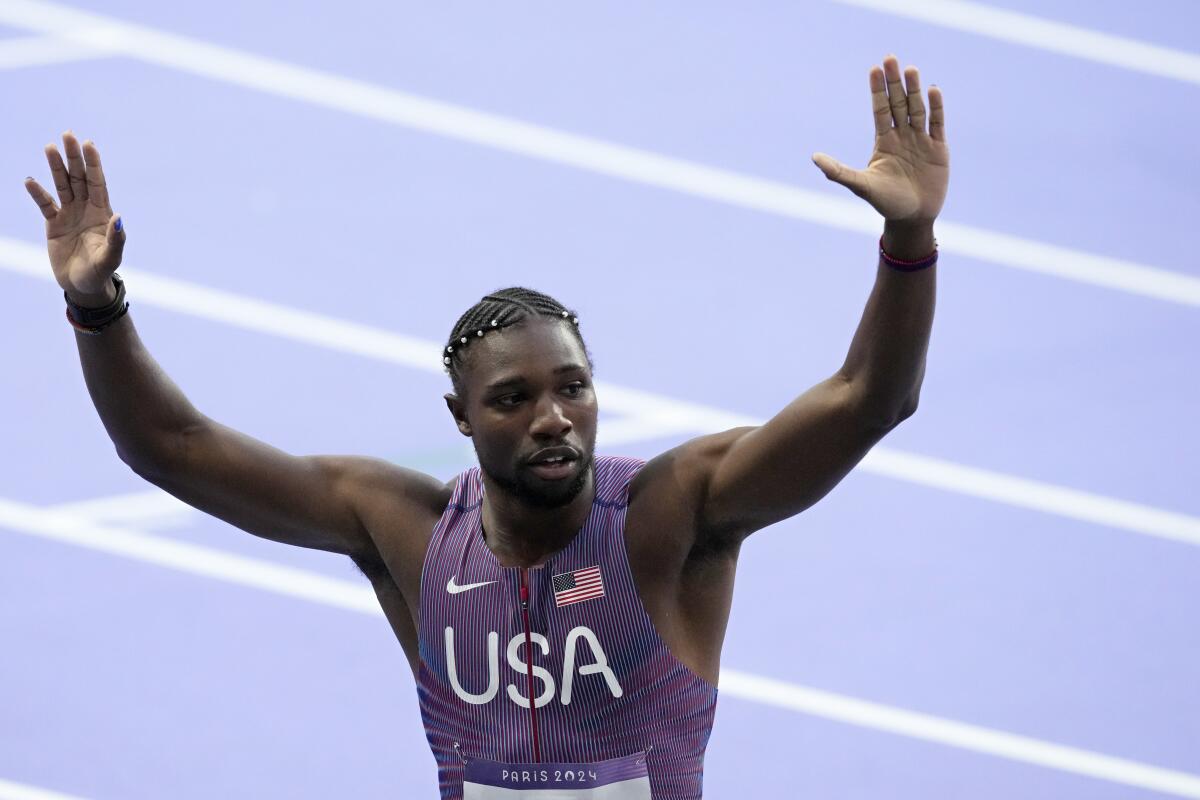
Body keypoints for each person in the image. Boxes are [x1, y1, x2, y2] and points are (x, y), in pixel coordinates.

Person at [25, 54, 948, 800]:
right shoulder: (407, 533)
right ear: (459, 419)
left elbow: (871, 396)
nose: (555, 419)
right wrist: (99, 310)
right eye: (513, 400)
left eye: (573, 389)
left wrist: (909, 245)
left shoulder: (675, 515)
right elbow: (168, 447)